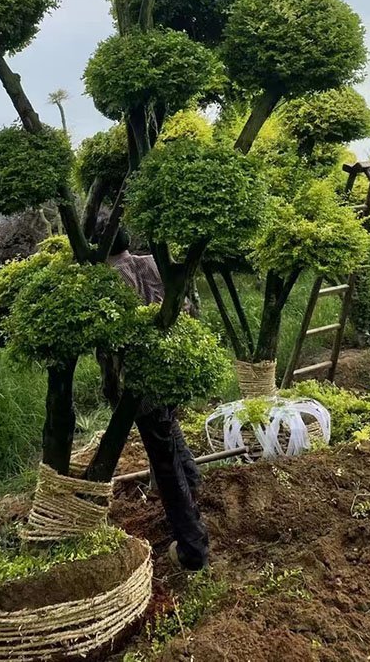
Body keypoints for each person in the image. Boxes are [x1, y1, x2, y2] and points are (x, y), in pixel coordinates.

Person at [94, 215, 210, 572]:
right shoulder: (154, 263)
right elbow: (192, 308)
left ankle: (193, 548)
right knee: (168, 430)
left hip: (142, 383)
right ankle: (193, 486)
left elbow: (111, 343)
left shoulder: (106, 281)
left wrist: (113, 385)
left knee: (162, 454)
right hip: (177, 368)